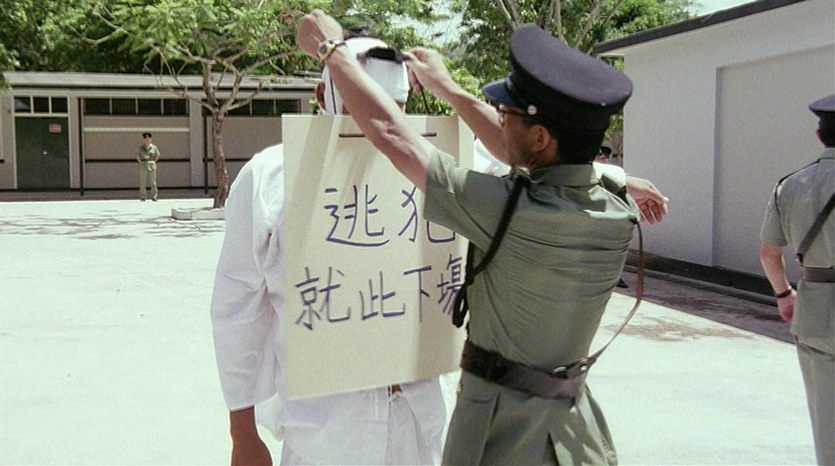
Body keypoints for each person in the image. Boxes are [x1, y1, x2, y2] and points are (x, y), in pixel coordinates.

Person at [298, 11, 666, 464]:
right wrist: (448, 89)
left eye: (506, 113)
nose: (499, 119)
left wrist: (331, 51)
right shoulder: (614, 205)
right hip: (574, 435)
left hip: (503, 435)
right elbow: (530, 154)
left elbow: (392, 133)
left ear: (540, 137)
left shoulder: (512, 211)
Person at [210, 35, 457, 466]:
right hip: (327, 433)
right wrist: (242, 433)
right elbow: (237, 312)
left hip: (423, 423)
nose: (379, 122)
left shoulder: (435, 169)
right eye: (362, 103)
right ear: (322, 94)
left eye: (394, 107)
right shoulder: (271, 176)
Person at [759, 94, 834, 466]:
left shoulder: (790, 185)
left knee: (827, 423)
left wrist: (784, 295)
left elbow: (769, 253)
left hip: (815, 312)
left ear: (820, 136)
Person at [136, 132, 160, 201]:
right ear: (143, 140)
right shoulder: (140, 148)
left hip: (151, 164)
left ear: (150, 139)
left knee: (153, 182)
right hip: (143, 164)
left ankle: (154, 196)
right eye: (145, 139)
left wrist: (153, 162)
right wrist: (141, 162)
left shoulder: (154, 147)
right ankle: (143, 197)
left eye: (148, 139)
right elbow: (137, 156)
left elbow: (157, 156)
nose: (147, 140)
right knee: (143, 182)